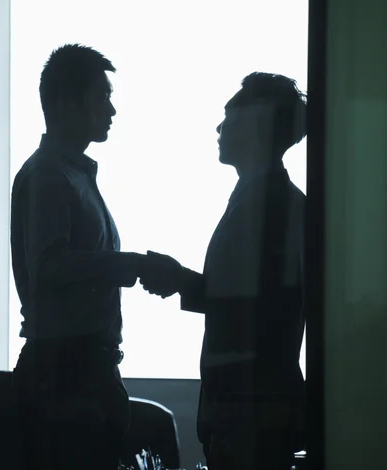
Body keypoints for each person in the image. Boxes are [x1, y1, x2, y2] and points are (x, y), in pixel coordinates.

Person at [141, 72, 307, 470]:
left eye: (229, 117)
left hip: (251, 407)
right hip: (245, 406)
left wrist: (182, 280)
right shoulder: (267, 201)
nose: (219, 127)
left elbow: (256, 310)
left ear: (253, 127)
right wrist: (184, 281)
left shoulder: (273, 207)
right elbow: (249, 298)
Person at [10, 44, 159, 470]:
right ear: (64, 103)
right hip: (64, 374)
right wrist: (130, 264)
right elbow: (48, 268)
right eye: (101, 97)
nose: (111, 110)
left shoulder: (72, 175)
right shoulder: (49, 176)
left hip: (81, 369)